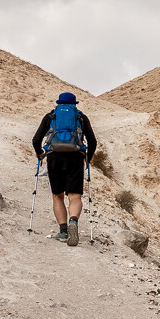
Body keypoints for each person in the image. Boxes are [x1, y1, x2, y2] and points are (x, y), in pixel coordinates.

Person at [32, 92, 96, 246]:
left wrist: (40, 153)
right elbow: (92, 141)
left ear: (58, 103)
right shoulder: (81, 117)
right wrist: (88, 157)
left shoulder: (51, 116)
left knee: (57, 195)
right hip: (75, 156)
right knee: (75, 196)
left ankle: (63, 231)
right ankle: (73, 221)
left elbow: (36, 139)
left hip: (54, 157)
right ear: (75, 104)